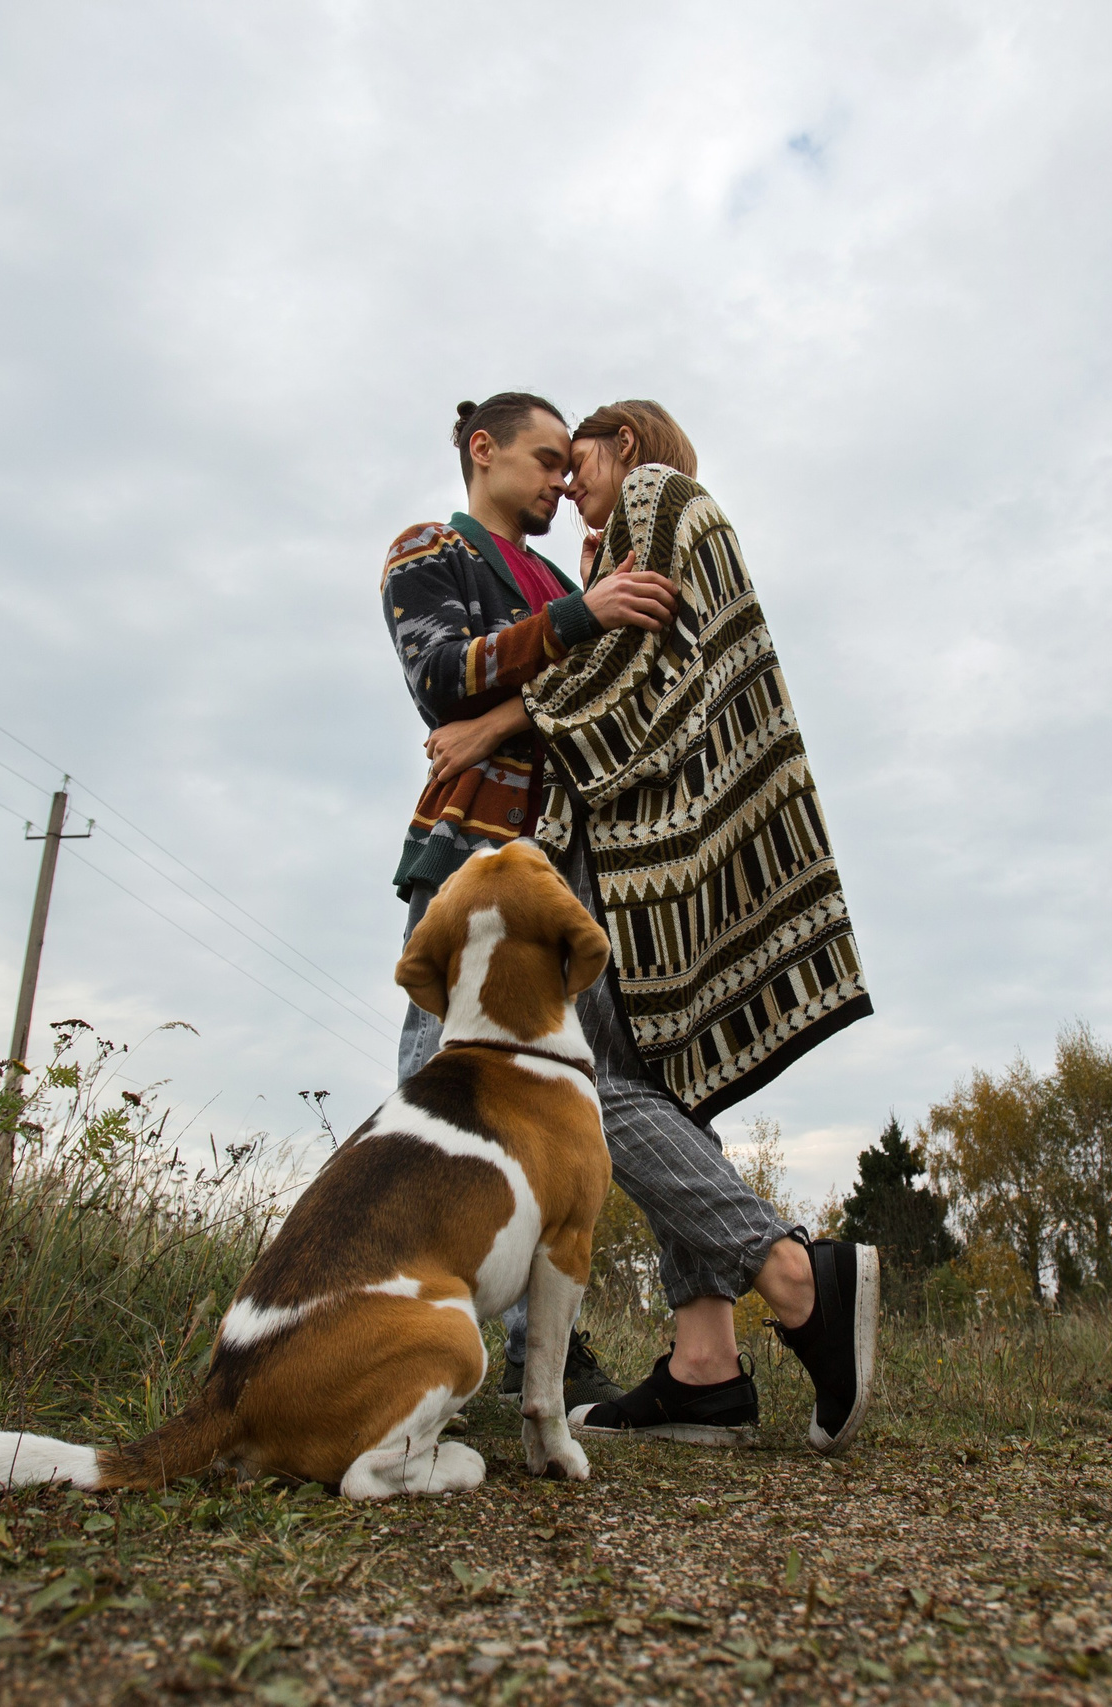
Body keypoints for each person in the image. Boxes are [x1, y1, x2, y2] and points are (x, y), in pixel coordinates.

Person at [414, 399, 881, 1454]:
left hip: (648, 851)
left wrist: (492, 719)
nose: (569, 486)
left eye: (577, 462)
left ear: (626, 446)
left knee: (591, 1088)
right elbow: (637, 656)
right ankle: (706, 1367)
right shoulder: (649, 527)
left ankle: (795, 1275)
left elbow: (629, 678)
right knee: (666, 1087)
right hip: (672, 842)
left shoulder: (664, 497)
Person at [378, 392, 676, 1411]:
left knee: (556, 1106)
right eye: (544, 461)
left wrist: (558, 650)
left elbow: (590, 700)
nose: (559, 481)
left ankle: (528, 1353)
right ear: (482, 451)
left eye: (566, 464)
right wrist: (577, 622)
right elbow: (441, 675)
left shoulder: (560, 577)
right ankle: (406, 1326)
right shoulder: (431, 549)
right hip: (473, 855)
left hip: (572, 876)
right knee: (443, 1088)